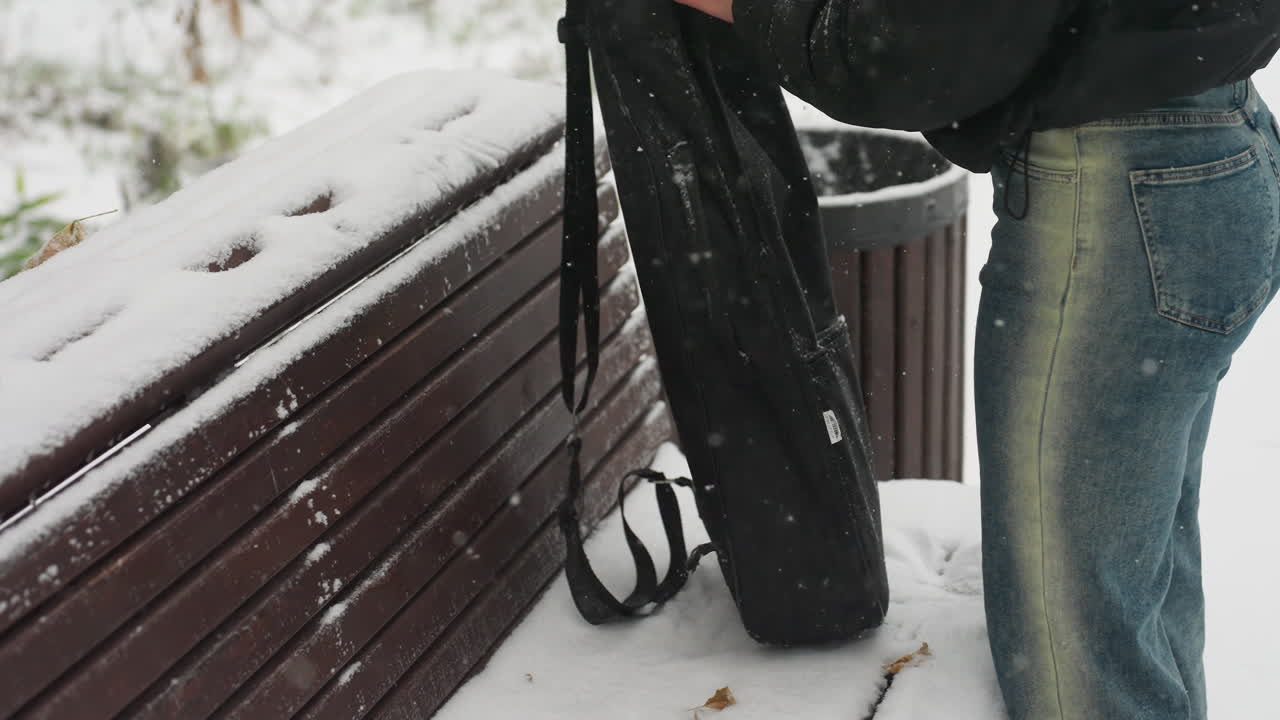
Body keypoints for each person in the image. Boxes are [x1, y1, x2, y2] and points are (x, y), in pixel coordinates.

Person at [672, 1, 1280, 718]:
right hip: (1206, 145)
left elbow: (914, 47)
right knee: (1130, 607)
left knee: (1078, 660)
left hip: (1121, 200)